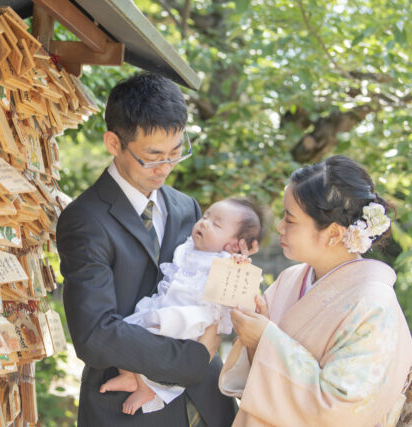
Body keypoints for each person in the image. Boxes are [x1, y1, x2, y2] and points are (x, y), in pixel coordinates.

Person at [57, 73, 255, 427]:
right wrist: (192, 359)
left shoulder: (186, 208)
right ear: (114, 143)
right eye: (152, 157)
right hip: (127, 412)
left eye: (176, 153)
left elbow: (206, 289)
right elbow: (95, 335)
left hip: (207, 407)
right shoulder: (84, 219)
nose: (165, 168)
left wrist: (237, 271)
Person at [219, 155, 412, 426]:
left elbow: (340, 410)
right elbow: (257, 378)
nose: (279, 227)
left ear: (333, 233)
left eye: (290, 219)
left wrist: (265, 340)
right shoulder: (291, 278)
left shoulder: (374, 305)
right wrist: (253, 339)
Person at [99, 197, 265, 415]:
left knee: (161, 337)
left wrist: (241, 261)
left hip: (193, 319)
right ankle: (133, 377)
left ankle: (150, 388)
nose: (204, 223)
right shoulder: (189, 246)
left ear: (234, 244)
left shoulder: (227, 262)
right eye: (206, 216)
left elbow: (242, 295)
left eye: (216, 224)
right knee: (131, 329)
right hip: (165, 306)